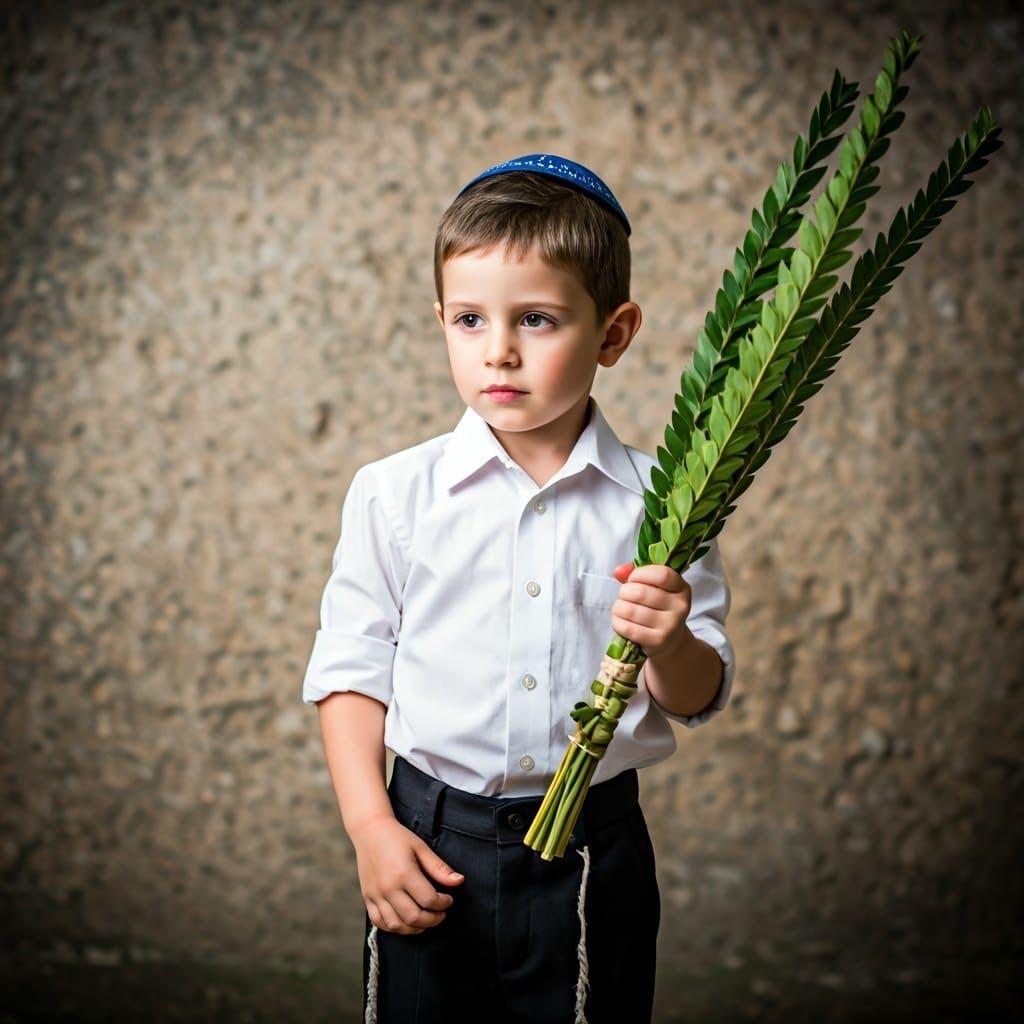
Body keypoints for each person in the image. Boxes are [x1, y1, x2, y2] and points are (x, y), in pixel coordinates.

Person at [302, 154, 736, 1024]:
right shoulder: (395, 493)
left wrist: (670, 641)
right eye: (469, 319)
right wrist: (370, 829)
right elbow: (352, 669)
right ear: (441, 322)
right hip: (428, 841)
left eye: (536, 319)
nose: (497, 350)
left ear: (613, 334)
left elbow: (697, 696)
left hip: (593, 854)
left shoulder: (670, 502)